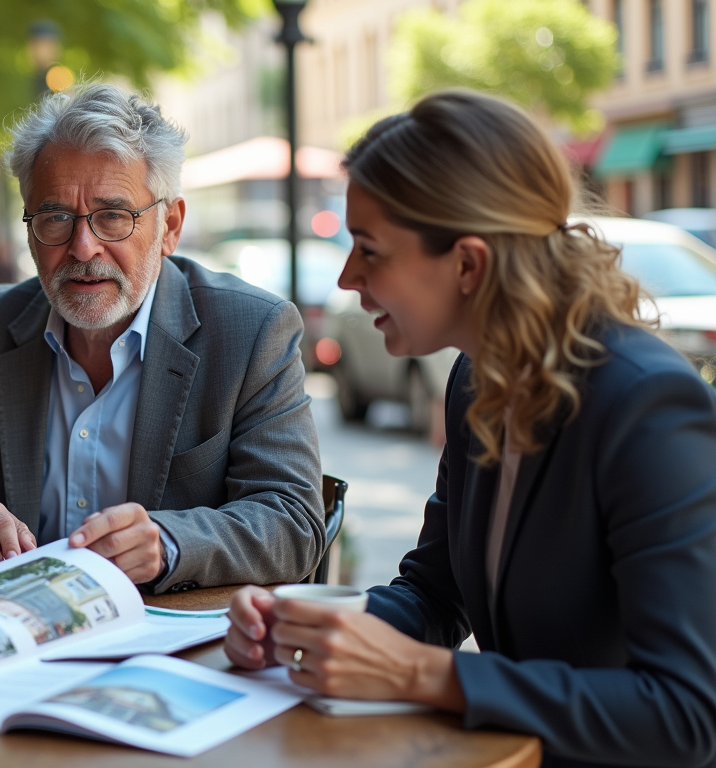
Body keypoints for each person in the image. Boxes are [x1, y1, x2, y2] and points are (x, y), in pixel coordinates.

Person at [225, 90, 716, 767]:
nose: (346, 277)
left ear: (468, 264)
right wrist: (321, 624)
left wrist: (414, 674)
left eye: (369, 249)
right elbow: (437, 593)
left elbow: (686, 715)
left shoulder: (645, 404)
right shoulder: (475, 380)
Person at [0, 82, 325, 593]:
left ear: (170, 226)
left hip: (175, 645)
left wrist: (168, 542)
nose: (82, 246)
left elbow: (293, 522)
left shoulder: (251, 331)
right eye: (56, 217)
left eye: (113, 216)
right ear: (30, 229)